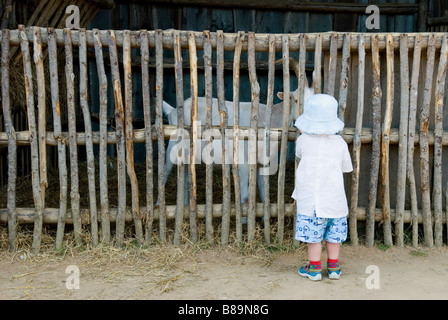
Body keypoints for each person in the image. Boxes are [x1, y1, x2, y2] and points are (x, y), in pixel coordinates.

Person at [291, 93, 353, 281]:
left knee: (314, 237)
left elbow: (300, 156)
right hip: (334, 201)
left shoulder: (302, 141)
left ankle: (315, 270)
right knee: (334, 237)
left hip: (311, 202)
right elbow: (345, 169)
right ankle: (333, 268)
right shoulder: (341, 144)